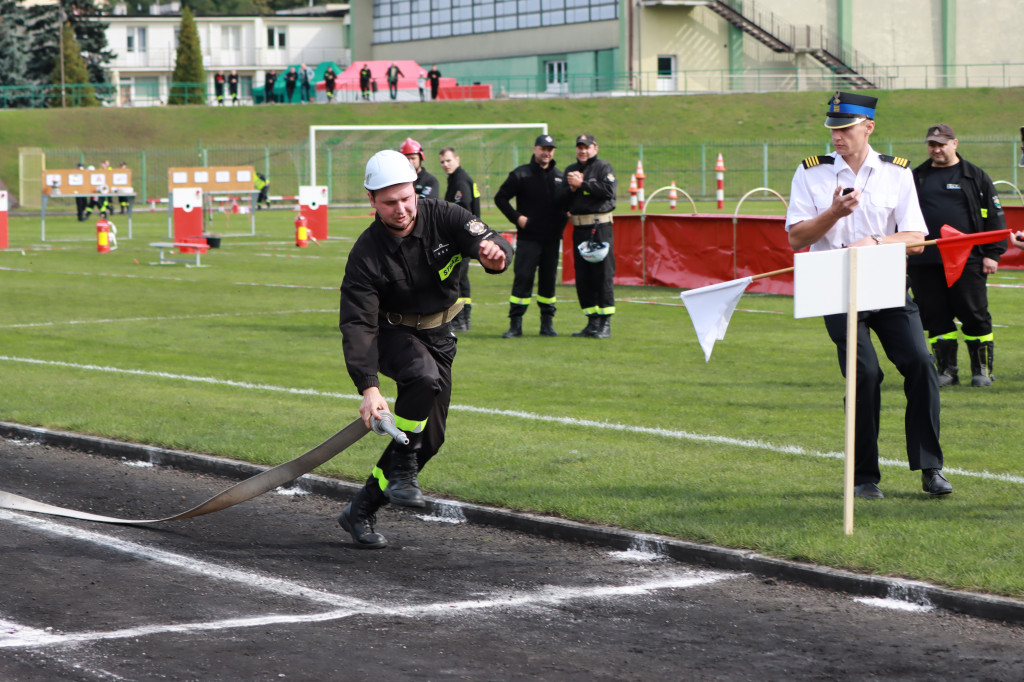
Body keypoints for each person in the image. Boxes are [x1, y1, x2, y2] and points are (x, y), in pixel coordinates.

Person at [337, 150, 512, 549]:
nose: (400, 209)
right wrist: (369, 388)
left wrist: (495, 257)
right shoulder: (365, 254)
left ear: (415, 190)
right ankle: (402, 467)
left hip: (441, 335)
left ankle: (359, 510)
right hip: (392, 335)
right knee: (422, 377)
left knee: (426, 441)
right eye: (388, 202)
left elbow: (491, 241)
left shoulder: (445, 214)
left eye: (405, 198)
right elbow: (358, 324)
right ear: (371, 201)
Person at [785, 91, 952, 499]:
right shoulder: (811, 173)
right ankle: (863, 476)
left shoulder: (896, 172)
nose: (837, 137)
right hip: (835, 285)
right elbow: (795, 238)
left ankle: (931, 467)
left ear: (868, 127)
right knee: (865, 374)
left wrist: (876, 240)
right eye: (833, 129)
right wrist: (833, 213)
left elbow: (916, 239)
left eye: (845, 128)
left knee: (920, 363)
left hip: (888, 280)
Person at [908, 124, 1007, 388]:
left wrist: (993, 254)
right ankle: (947, 371)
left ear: (955, 143)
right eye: (932, 144)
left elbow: (995, 217)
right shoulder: (915, 177)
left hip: (968, 259)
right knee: (934, 315)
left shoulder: (975, 176)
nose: (936, 149)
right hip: (925, 261)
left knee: (974, 314)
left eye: (942, 144)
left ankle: (982, 370)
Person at [494, 133, 569, 338]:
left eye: (550, 149)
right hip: (529, 239)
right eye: (543, 148)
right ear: (535, 149)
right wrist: (517, 218)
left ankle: (547, 324)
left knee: (548, 282)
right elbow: (500, 198)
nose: (546, 152)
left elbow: (566, 203)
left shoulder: (561, 177)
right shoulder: (521, 174)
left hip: (552, 239)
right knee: (523, 279)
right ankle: (515, 325)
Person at [565, 133, 617, 338]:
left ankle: (605, 323)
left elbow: (608, 192)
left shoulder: (604, 168)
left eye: (587, 147)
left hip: (600, 228)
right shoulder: (570, 170)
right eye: (580, 147)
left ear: (595, 148)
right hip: (579, 229)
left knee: (602, 274)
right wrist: (570, 189)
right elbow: (561, 198)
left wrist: (583, 185)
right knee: (583, 277)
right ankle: (592, 321)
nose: (583, 150)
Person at [439, 146, 481, 332]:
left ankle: (458, 320)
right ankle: (465, 320)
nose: (445, 164)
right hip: (467, 238)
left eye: (448, 160)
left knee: (455, 278)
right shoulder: (457, 178)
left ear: (457, 159)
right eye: (442, 162)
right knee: (462, 279)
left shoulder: (460, 180)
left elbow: (462, 210)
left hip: (462, 238)